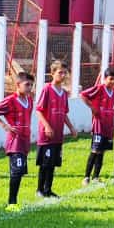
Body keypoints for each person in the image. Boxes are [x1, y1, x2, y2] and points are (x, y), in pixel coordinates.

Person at [0, 71, 35, 211]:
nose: (30, 88)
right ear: (18, 85)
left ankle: (14, 201)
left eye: (31, 85)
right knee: (17, 170)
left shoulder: (30, 101)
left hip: (25, 141)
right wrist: (4, 126)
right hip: (15, 142)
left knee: (20, 172)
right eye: (27, 84)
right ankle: (12, 203)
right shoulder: (10, 100)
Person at [34, 60, 77, 199]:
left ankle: (48, 190)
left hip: (58, 135)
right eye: (60, 72)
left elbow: (64, 113)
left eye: (65, 72)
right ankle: (39, 190)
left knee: (52, 163)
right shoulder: (47, 89)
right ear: (52, 73)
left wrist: (71, 127)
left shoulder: (64, 93)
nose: (63, 75)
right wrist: (47, 126)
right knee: (45, 164)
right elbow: (39, 110)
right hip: (47, 135)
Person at [81, 68, 114, 184]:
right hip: (98, 124)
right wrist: (93, 108)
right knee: (95, 150)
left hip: (108, 125)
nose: (113, 81)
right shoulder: (99, 88)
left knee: (102, 151)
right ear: (105, 79)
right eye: (110, 79)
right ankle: (86, 177)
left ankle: (96, 176)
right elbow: (83, 95)